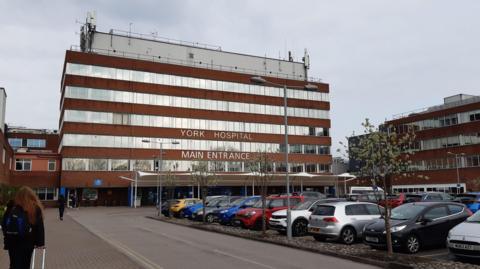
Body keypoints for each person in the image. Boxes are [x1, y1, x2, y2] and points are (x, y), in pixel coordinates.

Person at [3, 187, 45, 269]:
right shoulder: (34, 207)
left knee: (13, 264)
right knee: (25, 264)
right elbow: (39, 227)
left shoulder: (11, 206)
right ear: (31, 196)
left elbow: (4, 223)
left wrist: (7, 236)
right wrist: (40, 243)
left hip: (12, 241)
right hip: (28, 242)